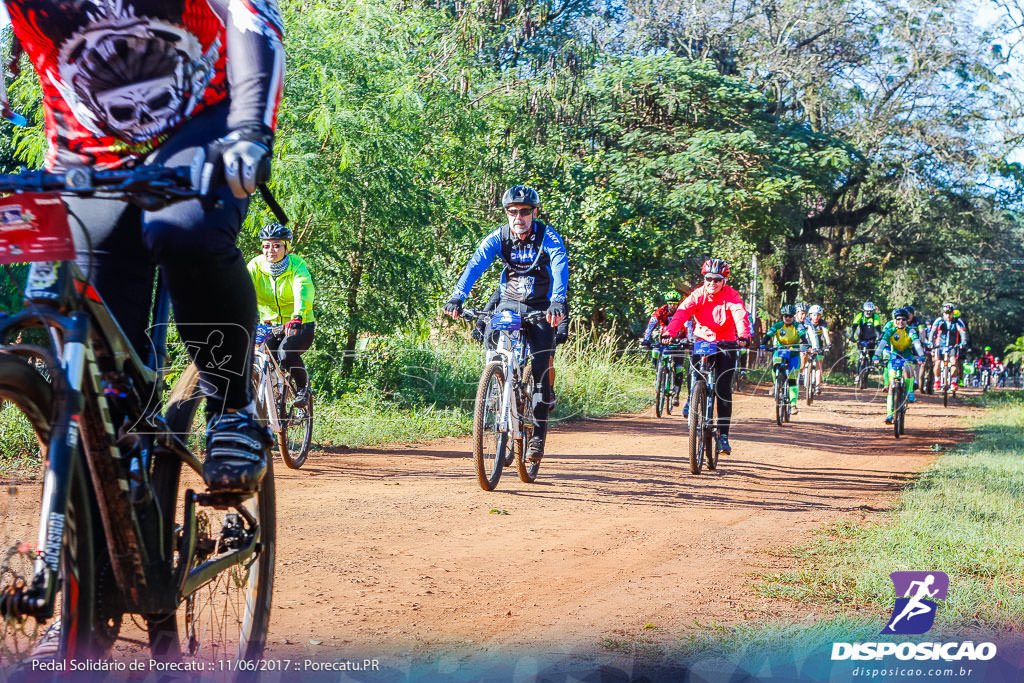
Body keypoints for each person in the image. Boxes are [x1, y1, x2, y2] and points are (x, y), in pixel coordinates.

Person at [3, 0, 285, 493]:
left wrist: (249, 130)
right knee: (81, 328)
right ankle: (115, 475)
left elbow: (249, 14)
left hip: (205, 121)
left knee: (183, 233)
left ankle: (232, 408)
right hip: (86, 149)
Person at [444, 185, 569, 463]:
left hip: (541, 306)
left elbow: (560, 265)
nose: (518, 217)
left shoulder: (547, 236)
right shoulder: (498, 237)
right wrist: (457, 296)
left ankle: (537, 438)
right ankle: (497, 383)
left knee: (539, 369)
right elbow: (476, 264)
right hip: (509, 303)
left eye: (524, 212)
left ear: (535, 212)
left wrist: (558, 301)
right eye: (512, 212)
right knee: (490, 334)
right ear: (506, 213)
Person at [661, 258, 751, 455]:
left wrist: (743, 335)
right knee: (695, 378)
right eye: (709, 279)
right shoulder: (698, 295)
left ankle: (724, 436)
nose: (712, 283)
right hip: (702, 341)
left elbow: (739, 315)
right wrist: (670, 332)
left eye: (717, 279)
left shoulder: (732, 296)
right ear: (704, 279)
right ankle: (694, 399)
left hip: (726, 342)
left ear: (724, 281)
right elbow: (682, 313)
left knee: (723, 388)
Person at [247, 223, 316, 406]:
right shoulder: (255, 266)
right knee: (256, 356)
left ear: (286, 247)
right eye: (266, 245)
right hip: (268, 325)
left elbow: (303, 290)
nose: (271, 250)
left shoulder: (296, 266)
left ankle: (303, 389)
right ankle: (272, 397)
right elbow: (241, 289)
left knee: (285, 353)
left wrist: (297, 316)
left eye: (277, 245)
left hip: (299, 324)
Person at [873, 308, 925, 423]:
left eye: (903, 319)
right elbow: (882, 344)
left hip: (907, 356)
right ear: (895, 320)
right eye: (898, 319)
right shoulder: (890, 331)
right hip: (894, 357)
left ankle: (910, 392)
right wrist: (876, 355)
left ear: (907, 321)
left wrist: (921, 355)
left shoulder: (911, 331)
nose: (901, 321)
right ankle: (889, 414)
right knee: (892, 386)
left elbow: (917, 344)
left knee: (908, 369)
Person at [640, 291, 688, 407]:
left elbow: (689, 326)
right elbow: (651, 325)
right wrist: (646, 340)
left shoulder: (682, 312)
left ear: (678, 303)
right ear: (667, 303)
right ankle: (658, 373)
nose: (673, 306)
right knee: (655, 352)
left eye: (675, 303)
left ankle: (676, 393)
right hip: (664, 339)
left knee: (679, 368)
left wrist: (689, 340)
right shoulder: (661, 311)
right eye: (670, 303)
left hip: (680, 340)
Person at [761, 304, 810, 414]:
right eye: (785, 316)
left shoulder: (798, 326)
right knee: (775, 365)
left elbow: (803, 337)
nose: (787, 318)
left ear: (793, 317)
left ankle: (793, 405)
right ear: (782, 316)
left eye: (790, 316)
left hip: (794, 353)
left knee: (792, 378)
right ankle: (776, 384)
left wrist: (806, 346)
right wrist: (763, 344)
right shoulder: (777, 325)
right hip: (781, 351)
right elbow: (768, 336)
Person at [929, 303, 968, 393]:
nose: (948, 315)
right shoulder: (939, 321)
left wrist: (963, 343)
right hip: (940, 345)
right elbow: (933, 332)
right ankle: (937, 381)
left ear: (953, 313)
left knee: (954, 362)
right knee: (937, 363)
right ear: (943, 313)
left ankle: (954, 382)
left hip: (953, 346)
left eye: (950, 313)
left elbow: (963, 333)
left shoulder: (958, 321)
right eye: (946, 313)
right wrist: (931, 342)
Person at [848, 301, 883, 373]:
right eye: (867, 311)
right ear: (864, 310)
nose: (868, 313)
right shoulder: (860, 316)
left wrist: (879, 338)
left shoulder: (875, 317)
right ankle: (858, 374)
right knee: (860, 355)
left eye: (870, 311)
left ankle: (871, 363)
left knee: (871, 353)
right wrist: (851, 336)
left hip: (871, 338)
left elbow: (878, 329)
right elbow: (854, 326)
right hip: (861, 338)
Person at [805, 304, 831, 393]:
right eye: (814, 315)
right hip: (807, 345)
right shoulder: (806, 322)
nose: (816, 317)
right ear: (810, 315)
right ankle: (801, 375)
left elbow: (826, 334)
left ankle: (817, 386)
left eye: (818, 315)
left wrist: (828, 344)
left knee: (819, 365)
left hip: (819, 347)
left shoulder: (823, 323)